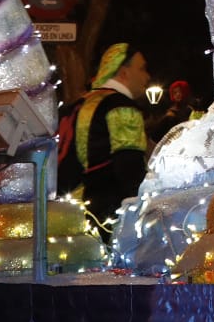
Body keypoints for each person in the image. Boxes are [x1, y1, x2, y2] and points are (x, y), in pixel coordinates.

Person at [57, 42, 151, 236]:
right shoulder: (121, 107)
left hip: (64, 214)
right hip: (105, 218)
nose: (147, 76)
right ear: (123, 73)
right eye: (142, 69)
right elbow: (129, 168)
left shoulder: (74, 106)